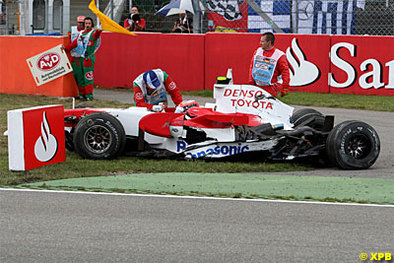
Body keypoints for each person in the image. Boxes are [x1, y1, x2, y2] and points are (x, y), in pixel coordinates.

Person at [64, 17, 102, 101]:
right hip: (81, 57)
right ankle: (82, 94)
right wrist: (66, 48)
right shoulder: (81, 33)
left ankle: (89, 95)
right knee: (80, 77)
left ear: (91, 24)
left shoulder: (93, 33)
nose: (87, 25)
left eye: (89, 23)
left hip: (89, 58)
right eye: (86, 23)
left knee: (87, 77)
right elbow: (74, 43)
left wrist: (99, 31)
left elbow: (96, 35)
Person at [248, 32, 290, 97]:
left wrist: (285, 87)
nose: (260, 43)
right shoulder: (257, 51)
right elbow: (252, 67)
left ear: (269, 42)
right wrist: (251, 81)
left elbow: (285, 72)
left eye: (262, 41)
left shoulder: (279, 55)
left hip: (270, 88)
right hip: (256, 86)